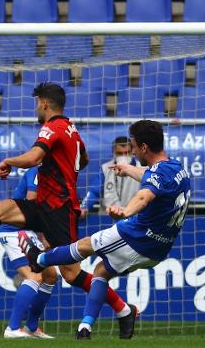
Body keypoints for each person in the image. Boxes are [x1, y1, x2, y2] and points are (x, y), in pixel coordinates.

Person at [0, 82, 137, 339]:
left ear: (45, 103)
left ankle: (123, 309)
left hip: (60, 209)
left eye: (37, 102)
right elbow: (83, 159)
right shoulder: (72, 130)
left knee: (71, 274)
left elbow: (34, 158)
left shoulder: (52, 127)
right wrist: (64, 170)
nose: (36, 107)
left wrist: (8, 162)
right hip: (44, 204)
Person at [19, 119, 191, 340]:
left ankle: (38, 259)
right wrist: (128, 169)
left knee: (85, 246)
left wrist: (126, 211)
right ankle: (89, 327)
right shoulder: (176, 168)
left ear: (144, 147)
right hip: (159, 248)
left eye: (134, 146)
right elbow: (153, 178)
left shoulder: (157, 175)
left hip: (137, 237)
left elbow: (144, 195)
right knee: (101, 271)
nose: (133, 151)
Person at [0, 166, 53, 339]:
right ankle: (12, 329)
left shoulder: (55, 174)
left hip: (29, 229)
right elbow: (31, 204)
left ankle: (31, 327)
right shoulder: (38, 172)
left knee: (50, 276)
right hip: (15, 230)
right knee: (33, 277)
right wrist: (44, 237)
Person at [80, 136, 142, 218]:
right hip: (107, 217)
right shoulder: (105, 168)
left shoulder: (141, 169)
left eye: (126, 153)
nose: (123, 156)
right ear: (113, 152)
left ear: (132, 152)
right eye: (119, 153)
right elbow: (94, 191)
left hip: (132, 216)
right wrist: (84, 207)